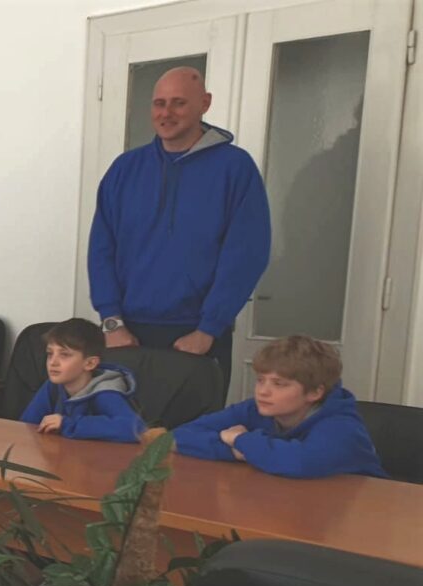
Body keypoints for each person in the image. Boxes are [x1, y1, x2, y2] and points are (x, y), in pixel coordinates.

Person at [88, 67, 271, 391]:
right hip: (126, 334)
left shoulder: (234, 168)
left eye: (179, 103)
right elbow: (101, 250)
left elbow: (245, 255)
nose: (166, 113)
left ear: (205, 103)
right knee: (117, 423)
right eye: (159, 103)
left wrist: (208, 329)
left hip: (197, 336)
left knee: (192, 426)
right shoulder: (125, 169)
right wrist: (111, 322)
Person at [173, 335, 384, 479]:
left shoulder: (342, 427)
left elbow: (299, 463)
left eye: (279, 384)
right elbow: (178, 436)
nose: (262, 391)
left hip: (358, 513)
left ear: (314, 392)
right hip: (291, 500)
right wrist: (241, 452)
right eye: (260, 380)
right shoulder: (255, 408)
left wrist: (240, 440)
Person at [20, 318, 145, 444]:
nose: (53, 362)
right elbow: (26, 426)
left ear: (90, 363)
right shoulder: (52, 386)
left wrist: (67, 424)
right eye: (50, 353)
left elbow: (136, 429)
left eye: (64, 355)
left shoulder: (105, 391)